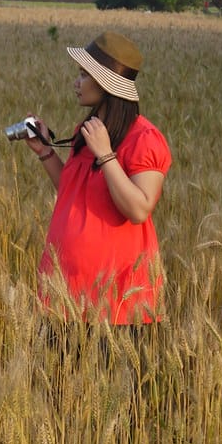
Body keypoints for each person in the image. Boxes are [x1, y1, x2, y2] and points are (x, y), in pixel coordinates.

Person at [26, 31, 172, 327]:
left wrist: (106, 155)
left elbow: (139, 209)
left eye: (84, 75)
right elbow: (74, 193)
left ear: (105, 83)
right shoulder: (88, 130)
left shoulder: (144, 139)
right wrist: (45, 152)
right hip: (64, 291)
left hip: (117, 303)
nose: (76, 83)